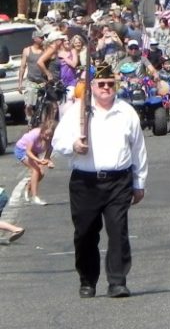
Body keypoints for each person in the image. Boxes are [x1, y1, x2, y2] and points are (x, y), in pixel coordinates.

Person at [51, 64, 148, 299]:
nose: (106, 88)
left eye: (110, 84)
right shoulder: (78, 111)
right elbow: (57, 141)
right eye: (101, 84)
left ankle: (117, 281)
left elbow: (138, 150)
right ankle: (87, 279)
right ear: (92, 86)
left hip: (118, 181)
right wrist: (74, 145)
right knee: (85, 233)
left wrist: (139, 183)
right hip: (85, 183)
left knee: (118, 231)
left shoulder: (127, 112)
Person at [15, 120, 57, 205]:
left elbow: (47, 158)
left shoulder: (51, 140)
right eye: (46, 135)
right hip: (22, 150)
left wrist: (49, 163)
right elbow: (28, 152)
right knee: (36, 170)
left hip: (34, 152)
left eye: (50, 136)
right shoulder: (34, 135)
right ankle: (35, 197)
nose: (48, 137)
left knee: (41, 174)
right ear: (42, 131)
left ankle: (28, 187)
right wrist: (38, 161)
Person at [18, 31, 48, 125]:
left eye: (43, 37)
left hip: (43, 82)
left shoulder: (45, 50)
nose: (42, 39)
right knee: (29, 105)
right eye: (41, 38)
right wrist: (20, 83)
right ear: (35, 39)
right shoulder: (27, 50)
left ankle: (42, 123)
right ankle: (30, 121)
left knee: (43, 105)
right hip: (31, 81)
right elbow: (22, 67)